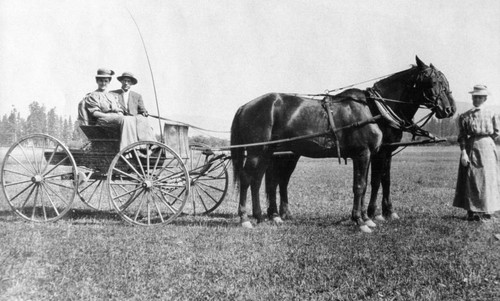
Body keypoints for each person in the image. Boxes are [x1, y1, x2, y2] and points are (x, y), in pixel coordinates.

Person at [453, 85, 500, 221]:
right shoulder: (465, 116)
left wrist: (485, 142)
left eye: (480, 97)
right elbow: (462, 136)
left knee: (487, 178)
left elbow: (496, 133)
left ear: (485, 98)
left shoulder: (492, 114)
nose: (477, 99)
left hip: (487, 147)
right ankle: (472, 211)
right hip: (470, 146)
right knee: (471, 177)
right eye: (475, 97)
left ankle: (487, 210)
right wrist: (463, 152)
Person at [84, 68, 156, 151]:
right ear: (97, 81)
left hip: (114, 118)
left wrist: (119, 113)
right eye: (101, 81)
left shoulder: (110, 95)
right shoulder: (93, 95)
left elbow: (118, 109)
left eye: (106, 81)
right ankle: (128, 150)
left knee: (134, 118)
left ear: (109, 82)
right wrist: (109, 115)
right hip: (102, 119)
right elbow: (94, 112)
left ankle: (144, 145)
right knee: (126, 119)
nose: (103, 83)